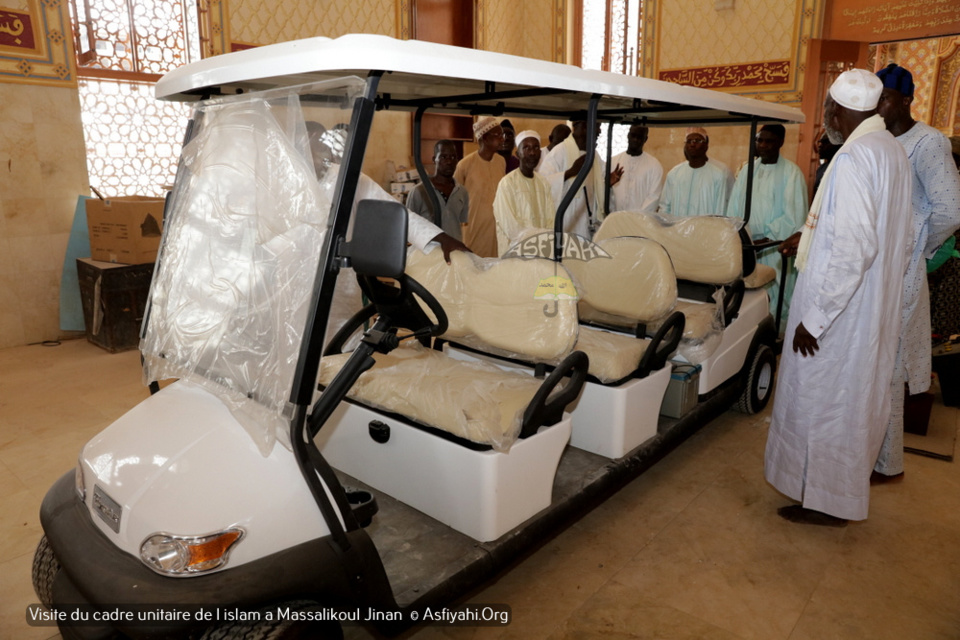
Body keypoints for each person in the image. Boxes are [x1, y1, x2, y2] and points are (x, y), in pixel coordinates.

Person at [764, 69, 912, 526]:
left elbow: (854, 248)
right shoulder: (889, 150)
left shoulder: (853, 159)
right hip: (868, 308)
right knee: (851, 405)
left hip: (841, 314)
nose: (826, 115)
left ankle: (826, 502)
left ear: (840, 110)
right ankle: (835, 496)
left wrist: (816, 317)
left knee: (824, 404)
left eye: (828, 107)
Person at [872, 64, 960, 481]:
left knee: (888, 370)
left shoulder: (927, 142)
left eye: (885, 97)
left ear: (907, 100)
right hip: (874, 272)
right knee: (871, 367)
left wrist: (916, 250)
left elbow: (950, 210)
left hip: (901, 272)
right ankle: (873, 456)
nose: (878, 105)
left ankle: (889, 465)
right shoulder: (875, 141)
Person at [726, 124, 808, 322]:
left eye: (768, 141)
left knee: (777, 293)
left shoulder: (792, 173)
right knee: (747, 293)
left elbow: (794, 215)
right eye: (759, 140)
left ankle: (775, 333)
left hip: (774, 247)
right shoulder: (747, 171)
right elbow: (734, 209)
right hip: (747, 246)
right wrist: (739, 236)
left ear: (780, 143)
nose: (763, 145)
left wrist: (766, 239)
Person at [540, 119, 619, 238]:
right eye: (596, 126)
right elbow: (543, 184)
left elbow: (598, 189)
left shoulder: (595, 156)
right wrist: (569, 172)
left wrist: (607, 184)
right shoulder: (560, 151)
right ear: (581, 127)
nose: (599, 131)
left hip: (589, 225)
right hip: (567, 225)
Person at [492, 130, 556, 255]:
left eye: (536, 148)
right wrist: (533, 244)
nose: (532, 152)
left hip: (542, 253)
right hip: (515, 254)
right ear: (518, 153)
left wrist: (544, 244)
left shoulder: (543, 183)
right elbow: (510, 226)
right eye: (526, 148)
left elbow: (551, 221)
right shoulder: (507, 183)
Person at [454, 116, 506, 257]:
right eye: (498, 135)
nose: (502, 139)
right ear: (484, 138)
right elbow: (454, 200)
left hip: (497, 228)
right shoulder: (465, 165)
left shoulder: (501, 162)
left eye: (503, 135)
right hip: (474, 228)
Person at [406, 140, 470, 242]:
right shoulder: (419, 192)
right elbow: (408, 226)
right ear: (434, 159)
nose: (449, 162)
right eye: (443, 157)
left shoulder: (462, 192)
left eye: (453, 157)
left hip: (454, 253)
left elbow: (462, 224)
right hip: (428, 253)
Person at [659, 127, 733, 216]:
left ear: (706, 146)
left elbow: (720, 211)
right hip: (678, 227)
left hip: (706, 228)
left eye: (697, 140)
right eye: (689, 141)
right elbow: (665, 207)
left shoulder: (718, 175)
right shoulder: (674, 174)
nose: (692, 144)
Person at [610, 124, 663, 213]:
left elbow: (654, 197)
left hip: (640, 221)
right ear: (628, 135)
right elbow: (606, 193)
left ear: (645, 139)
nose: (635, 140)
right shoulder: (613, 162)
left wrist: (637, 218)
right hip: (615, 219)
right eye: (633, 135)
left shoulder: (654, 165)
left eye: (640, 137)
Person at [812, 132, 841, 197]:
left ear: (836, 145)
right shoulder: (821, 168)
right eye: (820, 142)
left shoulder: (841, 167)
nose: (820, 146)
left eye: (824, 143)